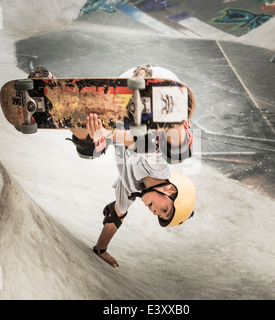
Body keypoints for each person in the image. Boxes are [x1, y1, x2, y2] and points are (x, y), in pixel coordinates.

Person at [69, 65, 197, 268]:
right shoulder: (160, 169)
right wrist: (108, 134)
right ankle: (172, 113)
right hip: (161, 89)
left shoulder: (130, 190)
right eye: (164, 209)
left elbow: (116, 216)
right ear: (170, 189)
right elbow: (141, 144)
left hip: (121, 97)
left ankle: (63, 105)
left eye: (159, 215)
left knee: (88, 149)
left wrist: (100, 249)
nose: (155, 213)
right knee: (176, 154)